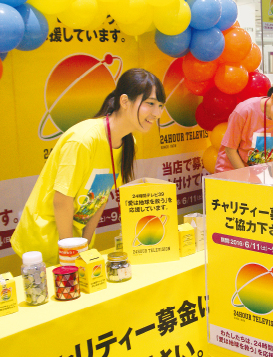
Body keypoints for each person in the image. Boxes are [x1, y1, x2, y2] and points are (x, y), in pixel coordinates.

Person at [11, 68, 166, 266]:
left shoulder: (128, 143)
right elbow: (62, 201)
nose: (156, 113)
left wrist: (85, 246)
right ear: (125, 102)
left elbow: (100, 197)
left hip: (75, 244)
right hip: (44, 243)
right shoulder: (84, 140)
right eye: (150, 103)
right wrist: (70, 257)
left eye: (160, 105)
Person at [214, 80, 273, 173]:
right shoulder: (244, 111)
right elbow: (230, 149)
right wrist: (246, 179)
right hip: (230, 172)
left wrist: (269, 174)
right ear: (272, 98)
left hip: (258, 175)